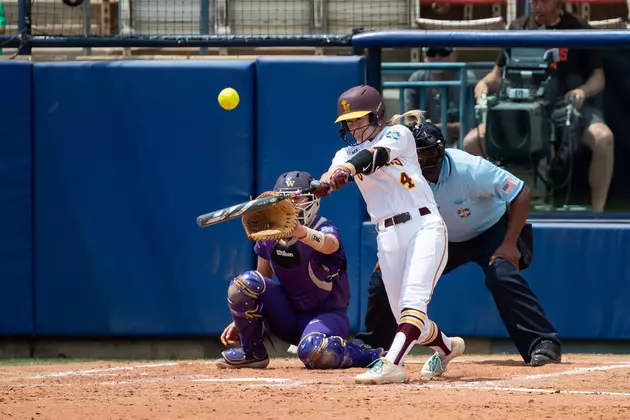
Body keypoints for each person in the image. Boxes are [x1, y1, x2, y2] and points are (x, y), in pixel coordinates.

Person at [354, 122, 562, 368]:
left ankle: (543, 343)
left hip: (490, 229)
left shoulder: (470, 168)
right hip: (437, 236)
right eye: (414, 153)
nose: (420, 159)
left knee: (502, 275)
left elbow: (520, 192)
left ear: (441, 151)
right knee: (382, 278)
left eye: (426, 153)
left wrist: (508, 244)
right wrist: (395, 254)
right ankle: (375, 345)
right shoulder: (400, 175)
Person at [314, 85, 465, 385]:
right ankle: (448, 348)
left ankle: (391, 363)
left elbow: (375, 156)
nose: (354, 128)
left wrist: (347, 170)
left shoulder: (397, 134)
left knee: (413, 303)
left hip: (424, 226)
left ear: (377, 115)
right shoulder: (344, 152)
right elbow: (331, 175)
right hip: (388, 236)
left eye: (360, 120)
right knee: (407, 321)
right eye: (349, 122)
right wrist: (322, 185)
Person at [216, 170, 382, 370]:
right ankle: (252, 352)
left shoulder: (324, 227)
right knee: (244, 284)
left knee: (313, 351)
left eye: (297, 198)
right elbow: (262, 279)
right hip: (288, 316)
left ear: (312, 199)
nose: (291, 205)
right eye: (285, 199)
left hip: (327, 316)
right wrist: (243, 321)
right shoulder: (270, 232)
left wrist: (301, 232)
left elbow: (330, 244)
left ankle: (370, 354)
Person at [463, 0, 614, 212]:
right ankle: (491, 212)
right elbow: (497, 75)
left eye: (544, 1)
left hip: (567, 107)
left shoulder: (577, 26)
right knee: (471, 142)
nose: (538, 7)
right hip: (520, 112)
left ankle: (598, 213)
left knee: (603, 138)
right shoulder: (517, 28)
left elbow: (598, 78)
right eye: (534, 1)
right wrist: (484, 84)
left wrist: (582, 91)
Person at [405, 47, 477, 147]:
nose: (437, 57)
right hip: (425, 146)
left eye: (443, 52)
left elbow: (471, 126)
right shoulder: (416, 79)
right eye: (431, 52)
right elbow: (409, 121)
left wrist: (434, 128)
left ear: (454, 54)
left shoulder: (467, 79)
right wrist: (424, 128)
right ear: (424, 55)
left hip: (460, 147)